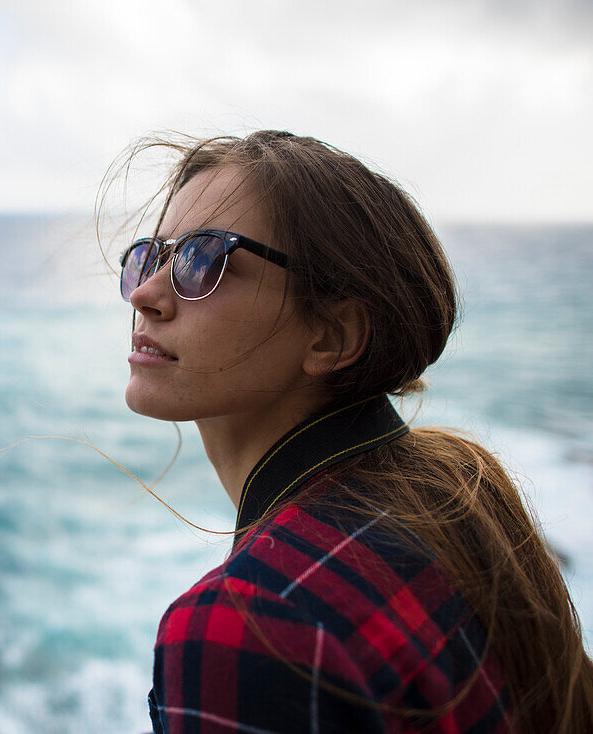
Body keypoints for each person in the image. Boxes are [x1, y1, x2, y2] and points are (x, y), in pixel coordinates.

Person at [107, 130, 593, 733]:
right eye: (152, 257)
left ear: (331, 336)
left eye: (204, 259)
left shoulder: (252, 620)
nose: (148, 294)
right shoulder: (457, 493)